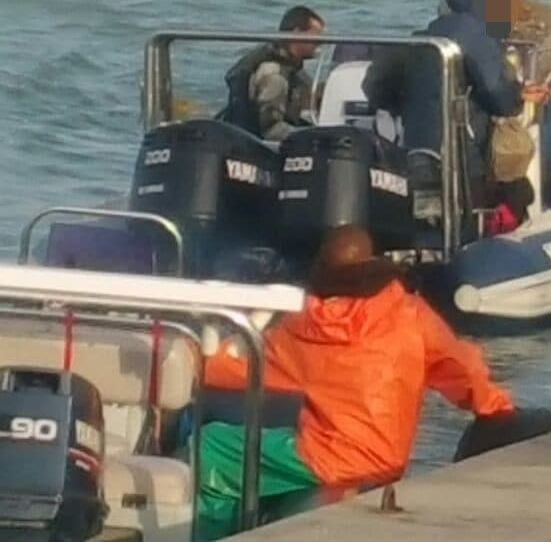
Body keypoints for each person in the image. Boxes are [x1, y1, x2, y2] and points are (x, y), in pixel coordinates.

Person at [194, 225, 519, 538]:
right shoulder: (413, 313)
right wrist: (496, 407)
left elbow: (239, 370)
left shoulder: (307, 325)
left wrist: (191, 362)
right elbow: (462, 367)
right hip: (389, 459)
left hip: (333, 460)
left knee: (209, 446)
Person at [402, 0, 550, 204]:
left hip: (414, 144)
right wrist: (517, 97)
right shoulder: (474, 32)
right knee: (492, 204)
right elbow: (496, 93)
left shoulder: (432, 30)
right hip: (460, 152)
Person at [218, 6, 324, 141]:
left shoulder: (292, 69)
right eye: (317, 39)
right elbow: (271, 130)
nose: (319, 45)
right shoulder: (274, 75)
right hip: (256, 146)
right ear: (297, 34)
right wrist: (312, 138)